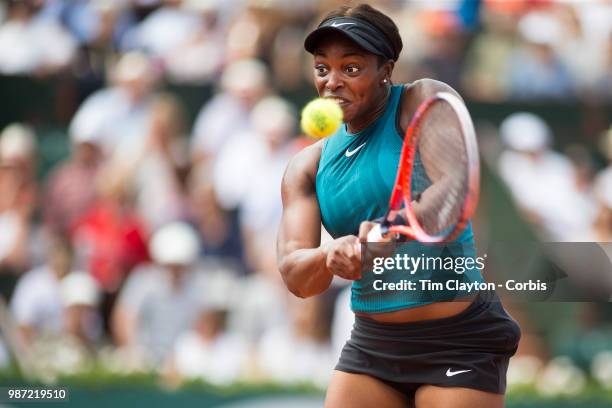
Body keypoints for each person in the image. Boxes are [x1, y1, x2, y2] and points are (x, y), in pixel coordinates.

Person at [276, 4, 521, 408]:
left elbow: (454, 190)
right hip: (373, 343)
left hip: (458, 340)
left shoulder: (423, 100)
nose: (333, 82)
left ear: (385, 70)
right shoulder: (305, 167)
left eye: (351, 68)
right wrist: (332, 256)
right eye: (323, 69)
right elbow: (299, 278)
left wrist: (388, 229)